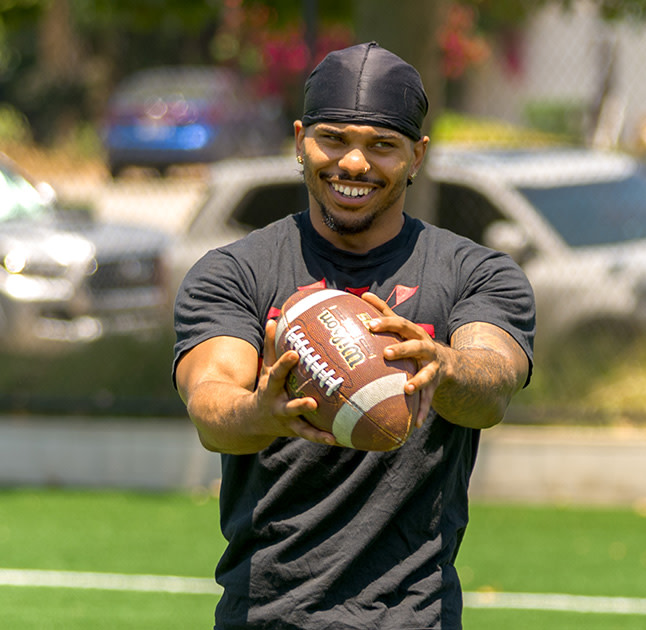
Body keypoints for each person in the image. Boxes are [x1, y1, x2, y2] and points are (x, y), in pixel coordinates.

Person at [172, 42, 535, 630]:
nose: (355, 164)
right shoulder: (235, 271)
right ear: (299, 141)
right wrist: (264, 411)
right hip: (265, 615)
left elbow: (493, 385)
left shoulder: (475, 273)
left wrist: (441, 366)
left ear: (417, 156)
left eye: (382, 145)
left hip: (414, 616)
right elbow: (211, 403)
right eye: (333, 139)